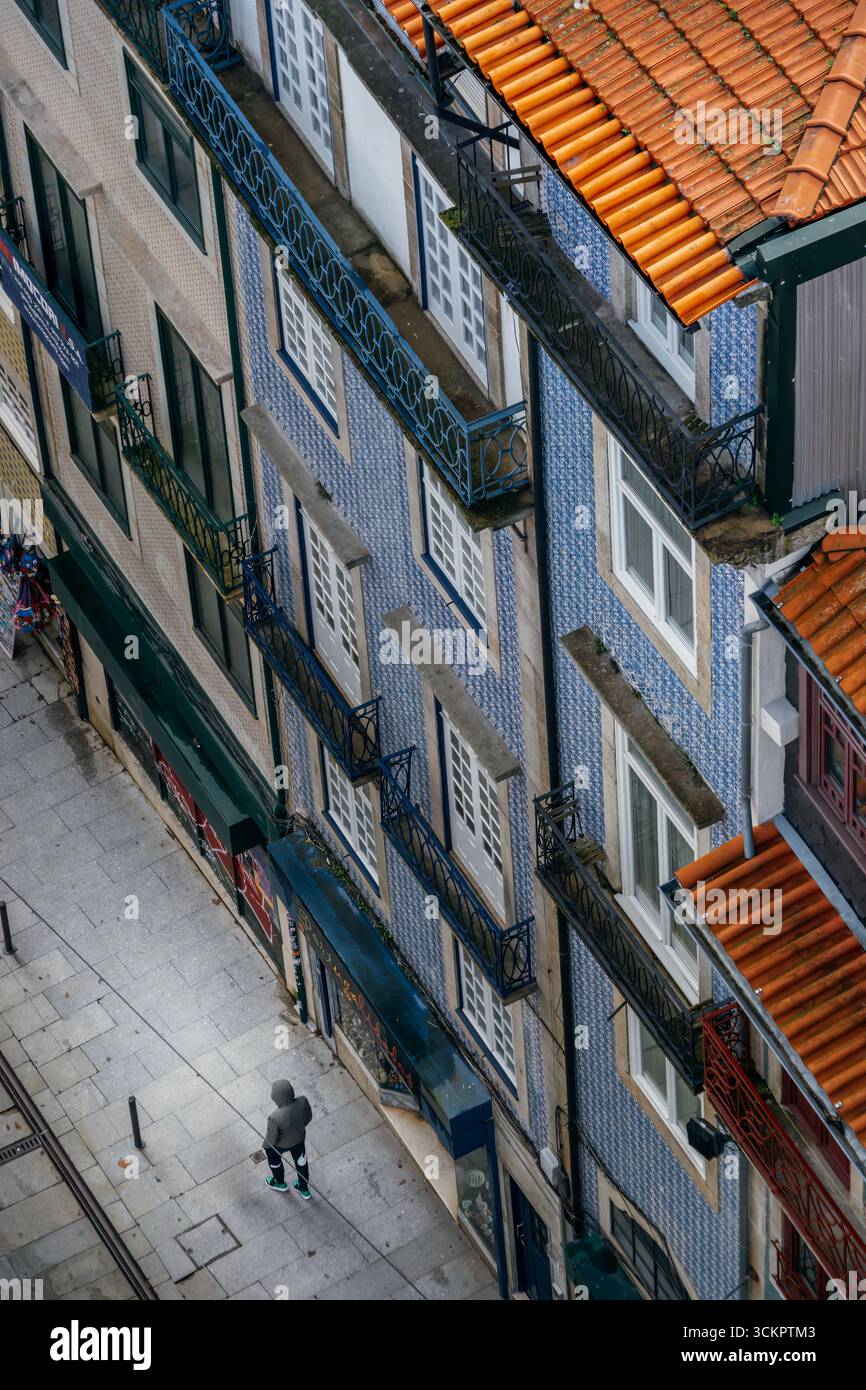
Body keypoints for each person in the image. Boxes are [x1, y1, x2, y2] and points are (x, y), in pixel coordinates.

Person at [263, 1079, 313, 1199]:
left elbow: (271, 1138)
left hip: (281, 1145)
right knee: (302, 1162)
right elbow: (308, 1117)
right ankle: (303, 1188)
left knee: (274, 1159)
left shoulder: (275, 1117)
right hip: (299, 1139)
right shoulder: (303, 1101)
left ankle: (279, 1183)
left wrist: (266, 1146)